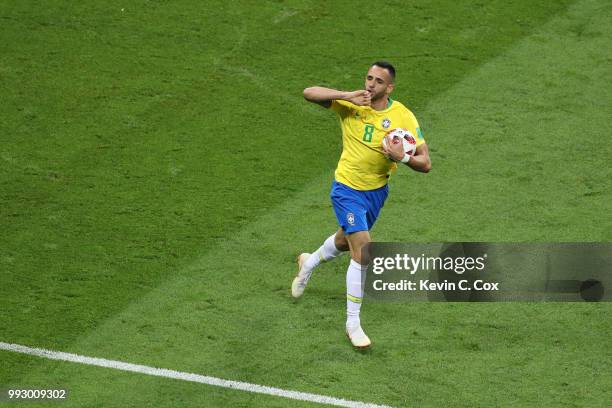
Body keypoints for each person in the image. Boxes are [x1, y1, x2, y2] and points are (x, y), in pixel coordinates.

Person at [292, 61, 431, 348]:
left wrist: (401, 157)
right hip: (346, 189)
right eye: (368, 78)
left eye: (378, 81)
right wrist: (346, 95)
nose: (370, 85)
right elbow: (309, 92)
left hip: (376, 192)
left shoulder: (402, 116)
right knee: (364, 250)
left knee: (346, 241)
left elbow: (425, 163)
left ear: (389, 87)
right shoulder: (351, 105)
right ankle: (352, 324)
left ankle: (309, 262)